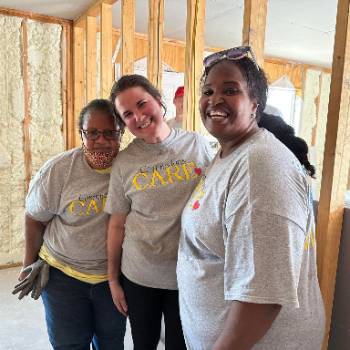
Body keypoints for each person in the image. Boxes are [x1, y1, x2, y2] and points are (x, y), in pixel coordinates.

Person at [177, 46, 325, 350]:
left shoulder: (260, 168)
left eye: (230, 90)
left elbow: (263, 297)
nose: (215, 99)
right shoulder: (229, 154)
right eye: (208, 90)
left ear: (255, 104)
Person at [106, 74, 212, 349]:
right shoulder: (125, 163)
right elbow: (117, 224)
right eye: (127, 114)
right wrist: (113, 279)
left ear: (159, 100)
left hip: (188, 274)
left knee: (181, 344)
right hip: (140, 275)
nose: (138, 117)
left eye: (142, 104)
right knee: (144, 344)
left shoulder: (197, 146)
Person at [19, 99, 127, 350]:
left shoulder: (130, 169)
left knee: (111, 343)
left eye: (110, 133)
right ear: (81, 133)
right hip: (62, 276)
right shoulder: (59, 171)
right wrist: (28, 264)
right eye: (92, 133)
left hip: (112, 279)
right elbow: (35, 218)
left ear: (121, 133)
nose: (101, 140)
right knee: (69, 344)